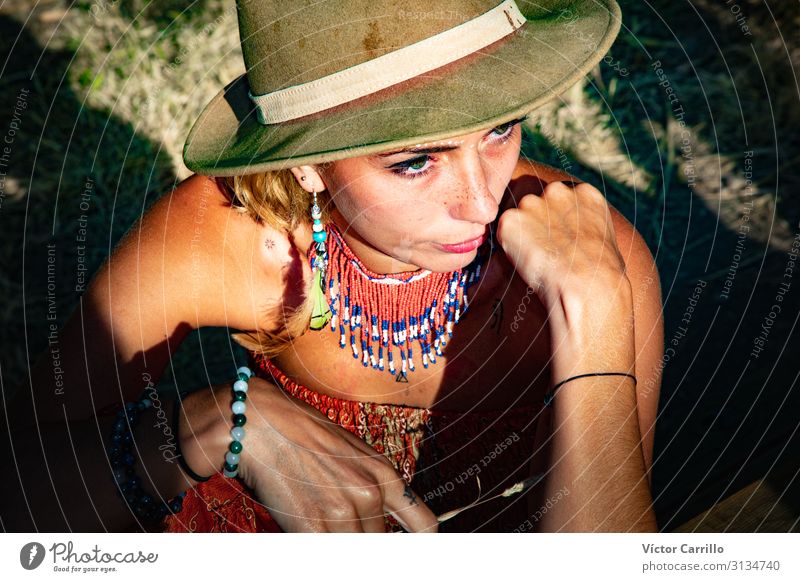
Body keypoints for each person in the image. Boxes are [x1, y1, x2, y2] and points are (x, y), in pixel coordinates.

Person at [2, 0, 663, 532]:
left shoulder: (592, 260)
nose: (481, 200)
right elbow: (23, 486)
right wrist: (214, 425)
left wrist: (596, 312)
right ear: (306, 163)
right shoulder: (229, 240)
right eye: (414, 161)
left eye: (498, 128)